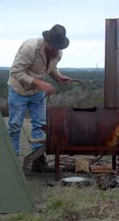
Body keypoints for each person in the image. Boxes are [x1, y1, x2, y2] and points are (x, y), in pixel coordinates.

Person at [7, 24, 71, 171]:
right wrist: (38, 82)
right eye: (53, 46)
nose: (55, 50)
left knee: (41, 125)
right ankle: (11, 161)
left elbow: (51, 68)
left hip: (37, 92)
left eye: (58, 47)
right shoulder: (29, 48)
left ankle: (38, 161)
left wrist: (58, 77)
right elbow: (15, 72)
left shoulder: (58, 53)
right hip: (19, 91)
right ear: (46, 41)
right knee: (15, 126)